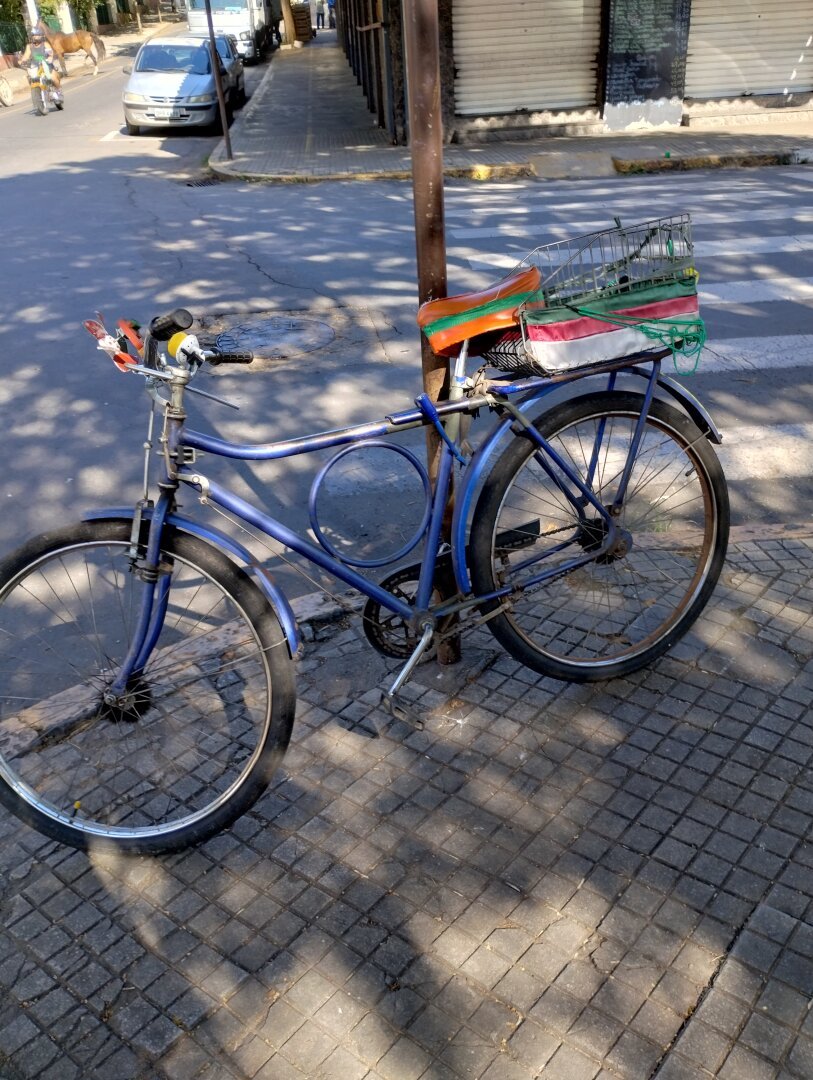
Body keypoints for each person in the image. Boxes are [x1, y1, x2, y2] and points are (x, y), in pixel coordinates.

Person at [19, 27, 62, 94]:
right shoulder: (29, 46)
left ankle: (58, 91)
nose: (36, 37)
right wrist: (22, 61)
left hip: (47, 64)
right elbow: (26, 56)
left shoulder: (45, 44)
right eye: (35, 35)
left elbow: (50, 53)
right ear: (32, 36)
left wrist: (50, 57)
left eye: (38, 35)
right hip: (35, 65)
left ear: (42, 36)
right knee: (33, 79)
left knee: (53, 78)